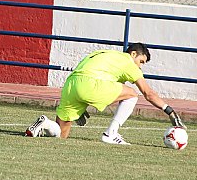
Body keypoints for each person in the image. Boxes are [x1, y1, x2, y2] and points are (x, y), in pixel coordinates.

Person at [24, 43, 186, 145]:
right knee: (132, 94)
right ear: (133, 54)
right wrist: (170, 111)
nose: (140, 67)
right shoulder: (128, 62)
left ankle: (45, 123)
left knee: (61, 135)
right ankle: (111, 134)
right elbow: (148, 93)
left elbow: (90, 71)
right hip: (89, 84)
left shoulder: (106, 53)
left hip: (71, 84)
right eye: (141, 62)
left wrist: (82, 100)